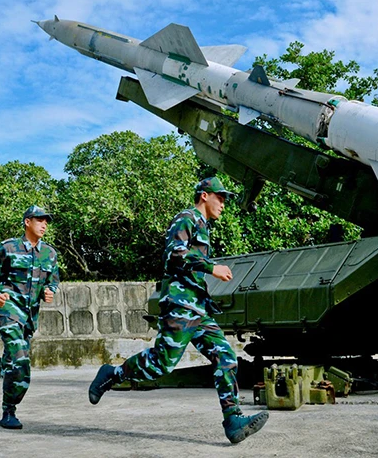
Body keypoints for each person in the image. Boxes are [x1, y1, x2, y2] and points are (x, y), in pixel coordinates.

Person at [87, 177, 269, 444]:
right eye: (220, 197)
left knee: (226, 357)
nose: (224, 204)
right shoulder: (187, 218)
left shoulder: (203, 227)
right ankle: (112, 374)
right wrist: (211, 267)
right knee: (163, 363)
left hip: (198, 307)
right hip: (180, 303)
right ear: (204, 196)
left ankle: (233, 420)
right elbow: (174, 254)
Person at [0, 205, 60, 430]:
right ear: (27, 222)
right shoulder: (8, 247)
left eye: (46, 221)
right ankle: (9, 412)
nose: (44, 224)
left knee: (9, 366)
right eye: (40, 220)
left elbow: (53, 281)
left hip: (29, 318)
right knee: (20, 362)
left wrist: (50, 292)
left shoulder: (50, 253)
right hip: (8, 311)